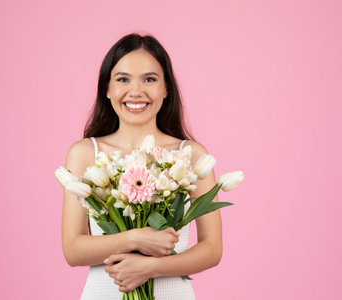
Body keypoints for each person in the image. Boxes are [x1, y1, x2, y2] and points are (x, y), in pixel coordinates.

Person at [62, 33, 223, 300]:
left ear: (166, 89)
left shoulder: (190, 155)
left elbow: (212, 248)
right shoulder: (84, 154)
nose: (135, 91)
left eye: (149, 79)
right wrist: (135, 239)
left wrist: (151, 268)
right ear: (107, 89)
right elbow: (73, 249)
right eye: (123, 79)